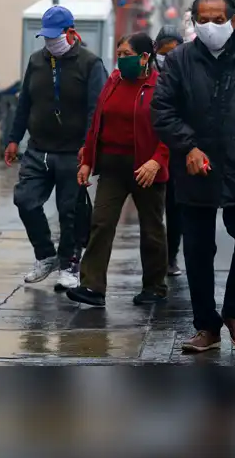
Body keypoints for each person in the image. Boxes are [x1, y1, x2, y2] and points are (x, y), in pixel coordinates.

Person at [151, 0, 235, 353]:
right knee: (197, 250)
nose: (211, 26)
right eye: (204, 20)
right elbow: (163, 110)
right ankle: (206, 326)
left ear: (232, 21)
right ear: (194, 22)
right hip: (193, 170)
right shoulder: (178, 60)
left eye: (218, 19)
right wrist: (188, 147)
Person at [4, 5, 108, 288]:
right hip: (38, 149)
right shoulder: (37, 61)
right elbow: (25, 102)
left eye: (55, 36)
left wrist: (89, 147)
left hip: (73, 151)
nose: (50, 42)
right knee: (25, 199)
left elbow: (96, 110)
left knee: (70, 211)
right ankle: (45, 255)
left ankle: (70, 265)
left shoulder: (90, 63)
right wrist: (13, 138)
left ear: (70, 32)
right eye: (46, 37)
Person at [65, 32, 170, 307]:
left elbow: (171, 130)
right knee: (101, 223)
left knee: (152, 229)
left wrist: (157, 160)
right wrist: (87, 160)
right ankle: (92, 286)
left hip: (146, 170)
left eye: (127, 55)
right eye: (119, 54)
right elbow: (96, 123)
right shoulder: (113, 81)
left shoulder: (160, 87)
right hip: (112, 166)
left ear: (144, 57)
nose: (121, 60)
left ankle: (155, 287)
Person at [153, 25, 185, 276]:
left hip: (177, 151)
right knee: (152, 210)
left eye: (174, 51)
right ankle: (154, 258)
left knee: (175, 209)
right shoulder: (147, 74)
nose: (168, 57)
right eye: (164, 52)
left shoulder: (187, 73)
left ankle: (171, 256)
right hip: (150, 150)